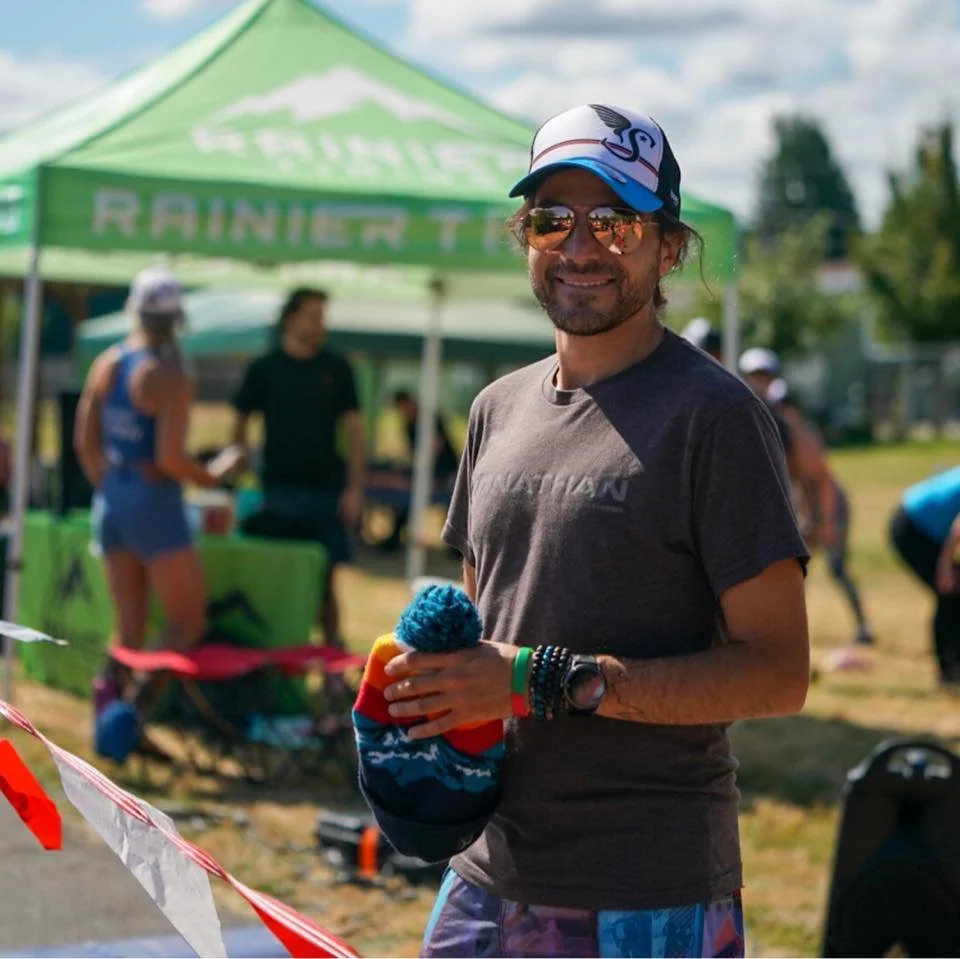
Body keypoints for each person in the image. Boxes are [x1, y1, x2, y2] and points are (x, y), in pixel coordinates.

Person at [376, 103, 810, 958]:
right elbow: (488, 638)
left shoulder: (715, 417)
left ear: (669, 247)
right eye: (552, 219)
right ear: (524, 234)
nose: (580, 247)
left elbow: (777, 674)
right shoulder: (494, 409)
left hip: (641, 891)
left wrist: (545, 679)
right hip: (484, 871)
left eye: (614, 220)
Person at [74, 268, 239, 710]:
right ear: (177, 318)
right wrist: (216, 474)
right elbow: (169, 459)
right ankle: (130, 719)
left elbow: (85, 442)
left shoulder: (108, 362)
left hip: (111, 498)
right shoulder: (169, 371)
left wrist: (111, 486)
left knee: (129, 629)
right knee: (185, 622)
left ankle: (107, 714)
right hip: (152, 500)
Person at [231, 288, 365, 647]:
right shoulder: (265, 367)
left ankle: (332, 662)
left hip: (325, 492)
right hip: (275, 492)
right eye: (313, 315)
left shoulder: (337, 369)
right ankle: (272, 654)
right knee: (275, 578)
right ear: (291, 319)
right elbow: (239, 420)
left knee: (325, 584)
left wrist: (354, 490)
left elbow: (354, 432)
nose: (320, 324)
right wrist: (237, 463)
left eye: (323, 315)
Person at [739, 349, 873, 646]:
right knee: (796, 573)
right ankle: (792, 629)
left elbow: (823, 481)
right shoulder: (771, 430)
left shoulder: (800, 435)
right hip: (809, 511)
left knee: (836, 569)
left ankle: (863, 627)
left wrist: (825, 521)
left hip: (830, 508)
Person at [890, 466, 960, 689]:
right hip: (912, 526)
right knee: (951, 592)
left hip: (926, 526)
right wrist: (945, 565)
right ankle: (949, 670)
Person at [376, 390, 460, 553]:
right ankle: (392, 540)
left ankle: (455, 546)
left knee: (451, 507)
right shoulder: (409, 425)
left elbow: (436, 446)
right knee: (405, 501)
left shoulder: (430, 419)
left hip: (445, 471)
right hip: (427, 473)